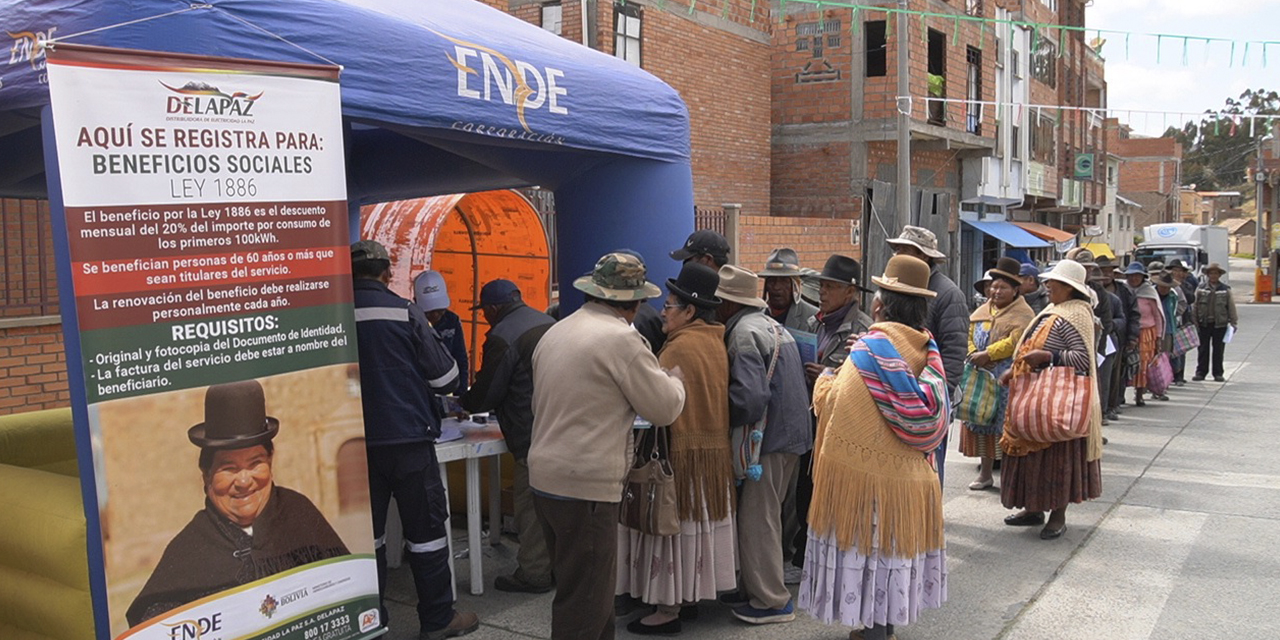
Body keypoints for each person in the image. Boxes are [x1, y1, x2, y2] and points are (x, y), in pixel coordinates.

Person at [529, 251, 686, 640]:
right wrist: (676, 379)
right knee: (582, 603)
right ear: (633, 303)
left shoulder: (557, 331)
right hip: (587, 485)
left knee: (589, 594)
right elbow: (663, 407)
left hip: (546, 478)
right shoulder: (621, 339)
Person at [798, 254, 950, 640]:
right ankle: (883, 627)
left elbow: (837, 406)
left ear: (880, 304)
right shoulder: (928, 351)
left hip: (868, 487)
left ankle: (874, 633)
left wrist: (827, 379)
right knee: (891, 559)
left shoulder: (868, 352)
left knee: (870, 558)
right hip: (911, 484)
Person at [127, 380, 349, 627]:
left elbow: (346, 591)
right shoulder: (187, 549)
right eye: (228, 468)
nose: (244, 481)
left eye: (255, 463)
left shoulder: (300, 513)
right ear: (206, 475)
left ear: (271, 463)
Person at [350, 240, 477, 640]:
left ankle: (370, 623)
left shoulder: (331, 317)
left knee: (366, 541)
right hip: (408, 441)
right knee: (426, 536)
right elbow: (446, 379)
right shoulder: (404, 312)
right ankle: (438, 620)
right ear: (388, 273)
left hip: (353, 447)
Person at [616, 262, 736, 636]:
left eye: (669, 306)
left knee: (672, 529)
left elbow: (654, 401)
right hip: (710, 461)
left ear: (689, 311)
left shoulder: (680, 347)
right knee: (695, 529)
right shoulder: (713, 340)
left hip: (679, 459)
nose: (663, 313)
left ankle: (667, 609)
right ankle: (688, 600)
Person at [713, 265, 812, 625]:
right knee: (768, 517)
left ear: (726, 303)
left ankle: (771, 600)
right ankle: (756, 587)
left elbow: (750, 399)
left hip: (766, 442)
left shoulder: (742, 333)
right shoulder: (771, 324)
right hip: (793, 437)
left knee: (759, 520)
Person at [458, 279, 556, 594]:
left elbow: (487, 393)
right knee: (558, 507)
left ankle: (535, 574)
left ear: (494, 308)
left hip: (531, 433)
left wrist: (463, 403)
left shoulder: (502, 336)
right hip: (561, 426)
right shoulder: (548, 321)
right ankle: (558, 568)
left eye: (484, 311)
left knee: (530, 508)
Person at [999, 260, 1103, 541]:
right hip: (1033, 394)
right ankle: (1033, 508)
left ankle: (1058, 516)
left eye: (1053, 282)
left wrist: (1049, 358)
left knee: (1056, 462)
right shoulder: (1052, 310)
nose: (1047, 286)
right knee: (1032, 460)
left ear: (1068, 287)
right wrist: (1016, 368)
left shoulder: (1077, 315)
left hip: (1057, 401)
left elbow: (1082, 359)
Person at [886, 226, 968, 484]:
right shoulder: (895, 286)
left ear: (924, 257)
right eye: (897, 250)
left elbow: (954, 351)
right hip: (898, 389)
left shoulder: (948, 293)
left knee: (929, 469)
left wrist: (940, 397)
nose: (897, 255)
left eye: (904, 251)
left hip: (928, 395)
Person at [961, 257, 1035, 491]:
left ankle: (1011, 477)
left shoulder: (1024, 314)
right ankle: (985, 474)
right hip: (981, 373)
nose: (996, 291)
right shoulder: (982, 311)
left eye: (1003, 287)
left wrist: (989, 354)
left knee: (1007, 426)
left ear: (1015, 290)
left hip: (1007, 377)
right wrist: (974, 353)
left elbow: (1015, 341)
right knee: (983, 423)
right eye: (993, 286)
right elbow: (970, 334)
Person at [804, 254, 873, 381]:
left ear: (850, 292)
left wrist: (828, 375)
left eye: (829, 286)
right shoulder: (814, 323)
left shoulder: (864, 332)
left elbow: (868, 383)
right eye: (821, 285)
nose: (821, 291)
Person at [413, 270, 469, 396]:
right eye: (429, 312)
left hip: (448, 386)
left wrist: (460, 395)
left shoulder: (452, 321)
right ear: (415, 301)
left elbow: (461, 358)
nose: (435, 315)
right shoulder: (411, 322)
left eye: (440, 310)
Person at [1098, 257, 1138, 420]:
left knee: (1113, 377)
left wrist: (1131, 335)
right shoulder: (1088, 294)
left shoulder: (1121, 293)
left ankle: (1110, 407)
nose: (1106, 275)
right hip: (1092, 341)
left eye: (1109, 271)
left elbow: (1128, 317)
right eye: (1102, 272)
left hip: (1114, 339)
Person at [1125, 261, 1164, 407]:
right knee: (1126, 363)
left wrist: (1159, 337)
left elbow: (1158, 316)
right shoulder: (1124, 290)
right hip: (1128, 330)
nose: (1134, 279)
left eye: (1137, 276)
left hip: (1146, 332)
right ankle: (1120, 394)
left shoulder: (1149, 292)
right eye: (1131, 276)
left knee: (1142, 364)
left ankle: (1139, 394)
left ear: (1143, 277)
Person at [1192, 263, 1237, 383]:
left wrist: (1234, 322)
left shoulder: (1225, 289)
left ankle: (1218, 373)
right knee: (1202, 349)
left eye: (1216, 273)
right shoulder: (1201, 288)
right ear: (1207, 275)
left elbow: (1231, 307)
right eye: (1211, 273)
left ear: (1219, 275)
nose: (1213, 275)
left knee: (1218, 350)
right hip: (1203, 323)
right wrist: (1195, 321)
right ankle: (1201, 372)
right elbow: (1195, 306)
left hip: (1220, 324)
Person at [759, 247, 818, 331]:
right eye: (772, 280)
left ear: (795, 285)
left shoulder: (812, 318)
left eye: (784, 281)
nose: (777, 287)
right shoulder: (756, 315)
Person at [1153, 272, 1186, 401]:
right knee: (1151, 360)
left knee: (1164, 360)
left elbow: (1180, 307)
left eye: (1167, 287)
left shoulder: (1173, 295)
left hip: (1169, 330)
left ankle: (1161, 389)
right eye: (1162, 286)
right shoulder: (1152, 295)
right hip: (1153, 330)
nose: (1164, 289)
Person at [1167, 259, 1199, 385]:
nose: (1177, 273)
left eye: (1179, 271)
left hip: (1183, 320)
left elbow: (1190, 298)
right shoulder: (1166, 283)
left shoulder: (1186, 285)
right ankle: (1169, 374)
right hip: (1169, 321)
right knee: (1169, 350)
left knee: (1181, 349)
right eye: (1174, 270)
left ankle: (1179, 375)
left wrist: (1179, 286)